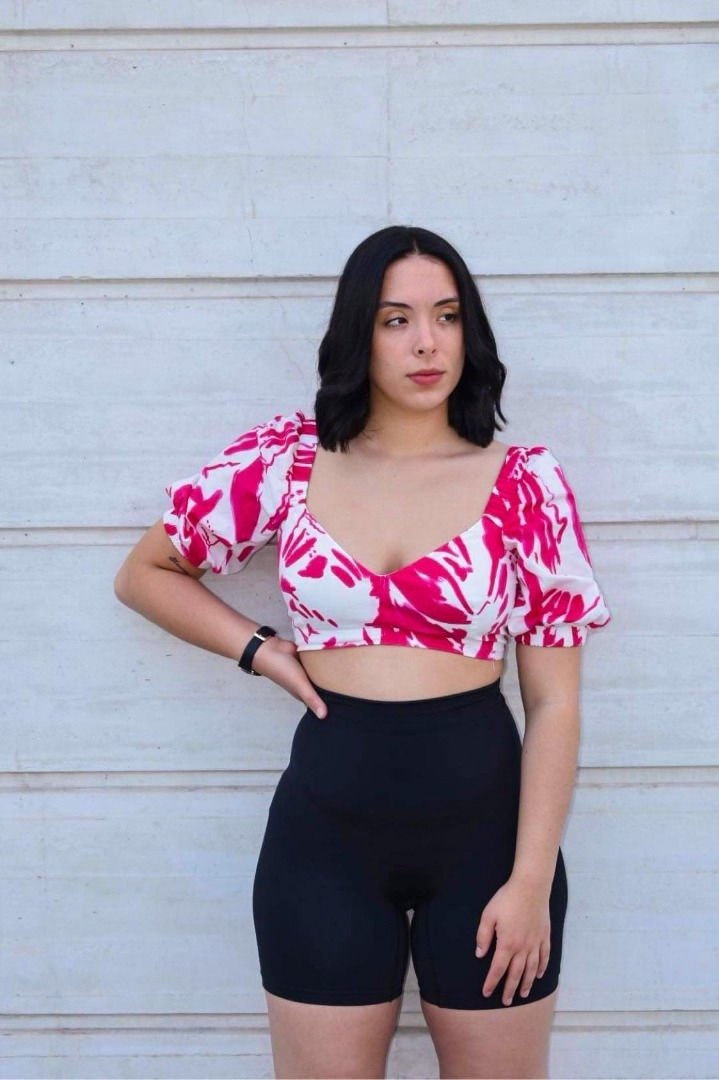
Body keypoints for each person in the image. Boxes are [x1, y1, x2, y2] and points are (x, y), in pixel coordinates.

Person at [114, 225, 611, 1080]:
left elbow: (554, 701)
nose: (426, 342)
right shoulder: (287, 460)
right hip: (324, 842)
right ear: (358, 333)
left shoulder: (526, 482)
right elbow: (145, 573)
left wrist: (530, 882)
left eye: (447, 316)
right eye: (395, 319)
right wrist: (262, 650)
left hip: (490, 844)